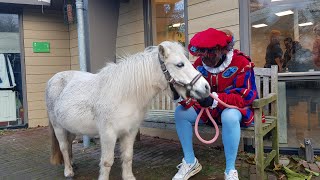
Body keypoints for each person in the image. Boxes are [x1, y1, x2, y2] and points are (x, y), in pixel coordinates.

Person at [170, 28, 259, 180]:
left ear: (223, 50)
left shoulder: (241, 62)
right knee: (180, 113)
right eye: (202, 53)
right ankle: (190, 162)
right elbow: (191, 92)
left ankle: (230, 170)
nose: (205, 59)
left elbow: (246, 95)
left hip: (233, 108)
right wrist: (179, 93)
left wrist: (215, 99)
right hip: (207, 111)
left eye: (211, 53)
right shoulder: (199, 63)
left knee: (229, 117)